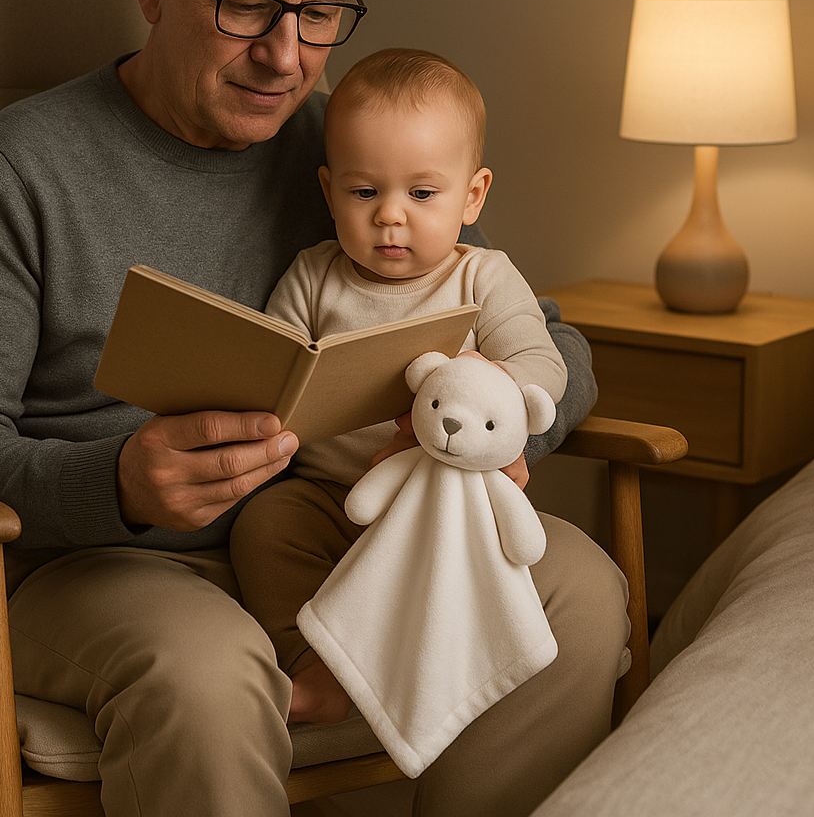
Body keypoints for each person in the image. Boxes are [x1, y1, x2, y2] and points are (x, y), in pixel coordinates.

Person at [0, 0, 630, 817]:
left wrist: (506, 418)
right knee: (210, 668)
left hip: (345, 535)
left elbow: (545, 335)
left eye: (322, 10)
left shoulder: (348, 153)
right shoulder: (14, 171)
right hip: (94, 567)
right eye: (247, 3)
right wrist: (115, 481)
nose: (287, 55)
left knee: (577, 590)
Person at [230, 46, 569, 725]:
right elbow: (268, 369)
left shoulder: (483, 278)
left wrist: (488, 386)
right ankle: (314, 668)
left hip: (446, 498)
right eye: (364, 192)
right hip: (325, 493)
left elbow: (544, 366)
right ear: (328, 192)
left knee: (478, 569)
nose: (390, 215)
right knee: (265, 529)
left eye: (421, 193)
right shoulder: (314, 275)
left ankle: (437, 665)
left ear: (472, 196)